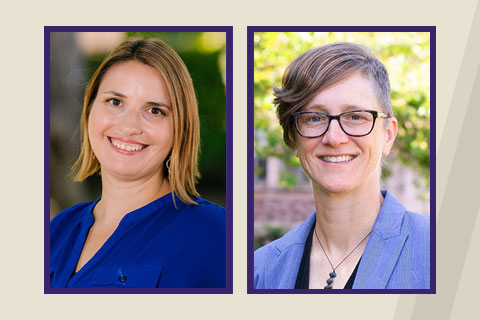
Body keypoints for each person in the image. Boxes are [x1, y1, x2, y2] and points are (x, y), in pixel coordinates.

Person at [50, 38, 226, 288]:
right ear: (89, 110)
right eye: (115, 102)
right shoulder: (58, 229)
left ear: (181, 128)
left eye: (155, 110)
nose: (129, 126)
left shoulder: (216, 233)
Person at [254, 42, 429, 289]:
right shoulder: (260, 271)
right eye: (314, 118)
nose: (334, 138)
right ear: (292, 138)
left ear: (388, 135)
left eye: (355, 116)